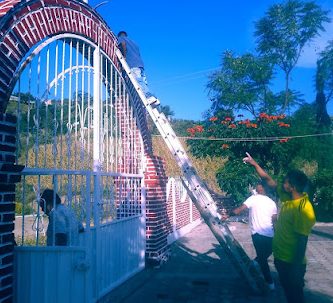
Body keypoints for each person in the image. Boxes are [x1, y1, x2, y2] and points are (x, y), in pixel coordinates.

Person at [243, 152, 316, 303]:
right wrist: (255, 164)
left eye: (286, 182)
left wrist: (295, 270)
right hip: (281, 259)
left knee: (295, 296)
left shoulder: (303, 208)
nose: (282, 184)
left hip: (291, 264)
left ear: (292, 187)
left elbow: (302, 240)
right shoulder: (289, 199)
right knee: (289, 294)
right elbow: (268, 180)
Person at [231, 182, 277, 290]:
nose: (256, 190)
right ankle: (270, 282)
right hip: (264, 234)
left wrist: (227, 214)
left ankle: (255, 263)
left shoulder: (254, 198)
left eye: (257, 189)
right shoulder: (272, 203)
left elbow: (238, 210)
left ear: (260, 189)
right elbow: (275, 221)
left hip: (261, 234)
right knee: (263, 257)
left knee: (262, 258)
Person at [117, 31, 159, 105]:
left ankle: (149, 97)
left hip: (133, 65)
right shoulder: (134, 43)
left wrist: (124, 56)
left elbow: (123, 44)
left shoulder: (121, 38)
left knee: (139, 81)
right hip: (140, 65)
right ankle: (154, 99)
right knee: (143, 83)